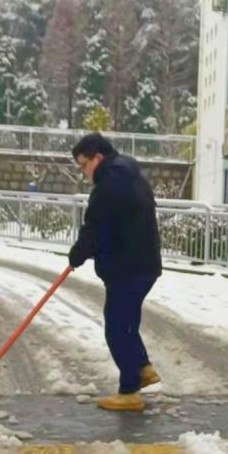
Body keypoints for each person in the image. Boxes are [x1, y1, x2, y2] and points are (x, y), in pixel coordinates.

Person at [68, 133, 162, 412]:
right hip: (144, 265)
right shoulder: (130, 174)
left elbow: (96, 228)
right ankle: (143, 368)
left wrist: (77, 255)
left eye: (83, 165)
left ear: (97, 157)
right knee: (127, 322)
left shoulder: (109, 184)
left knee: (116, 328)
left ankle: (129, 390)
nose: (84, 173)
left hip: (126, 267)